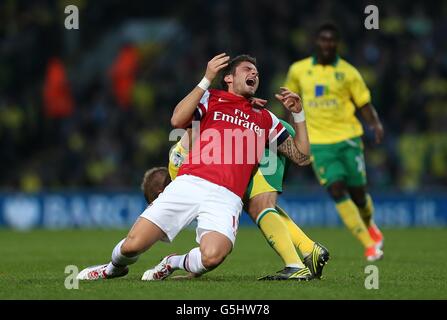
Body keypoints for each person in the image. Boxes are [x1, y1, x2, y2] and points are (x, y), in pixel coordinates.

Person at [77, 53, 312, 281]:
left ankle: (172, 262)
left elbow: (301, 157)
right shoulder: (211, 99)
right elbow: (177, 120)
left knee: (212, 257)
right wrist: (206, 78)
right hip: (190, 183)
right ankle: (111, 269)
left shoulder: (265, 117)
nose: (254, 73)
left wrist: (298, 114)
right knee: (132, 246)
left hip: (227, 196)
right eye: (247, 69)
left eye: (256, 72)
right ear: (228, 77)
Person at [164, 118, 330, 281]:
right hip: (264, 132)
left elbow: (214, 236)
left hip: (262, 136)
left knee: (259, 206)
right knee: (257, 204)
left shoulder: (180, 173)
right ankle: (310, 249)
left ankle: (295, 265)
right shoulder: (184, 172)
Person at [284, 23, 384, 261]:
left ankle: (370, 225)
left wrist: (376, 123)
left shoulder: (349, 73)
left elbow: (363, 104)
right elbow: (289, 102)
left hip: (348, 138)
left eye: (331, 40)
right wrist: (291, 132)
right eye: (323, 39)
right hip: (318, 142)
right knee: (336, 188)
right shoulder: (298, 70)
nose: (327, 44)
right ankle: (368, 244)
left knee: (359, 194)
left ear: (337, 44)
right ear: (316, 42)